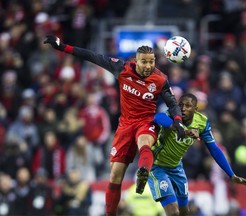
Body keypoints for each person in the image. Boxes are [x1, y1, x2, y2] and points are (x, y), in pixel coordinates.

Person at [43, 35, 186, 215]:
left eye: (151, 62)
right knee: (115, 176)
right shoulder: (121, 67)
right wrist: (63, 47)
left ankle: (143, 171)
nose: (149, 66)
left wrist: (178, 123)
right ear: (136, 60)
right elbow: (92, 56)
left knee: (145, 143)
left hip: (146, 122)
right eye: (144, 62)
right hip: (125, 125)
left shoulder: (160, 79)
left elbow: (173, 104)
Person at [149, 93, 246, 216]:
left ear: (196, 109)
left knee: (184, 211)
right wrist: (177, 127)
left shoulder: (202, 123)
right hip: (157, 165)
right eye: (180, 105)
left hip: (176, 167)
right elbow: (157, 117)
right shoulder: (173, 116)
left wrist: (231, 175)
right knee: (173, 212)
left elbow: (214, 149)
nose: (183, 108)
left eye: (188, 106)